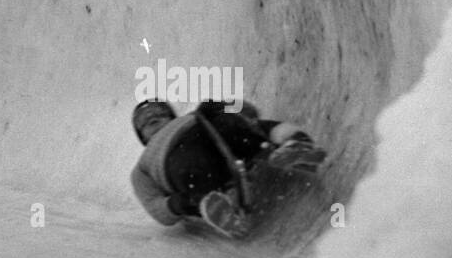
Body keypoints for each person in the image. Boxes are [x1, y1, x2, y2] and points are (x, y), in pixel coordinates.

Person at [130, 98, 326, 239]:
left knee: (242, 128)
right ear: (143, 138)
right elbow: (157, 209)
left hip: (205, 131)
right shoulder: (142, 168)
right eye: (144, 121)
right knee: (246, 134)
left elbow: (247, 108)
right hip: (180, 159)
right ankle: (278, 144)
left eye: (158, 113)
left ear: (171, 117)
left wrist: (225, 107)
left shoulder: (193, 115)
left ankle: (289, 146)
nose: (151, 118)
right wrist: (181, 203)